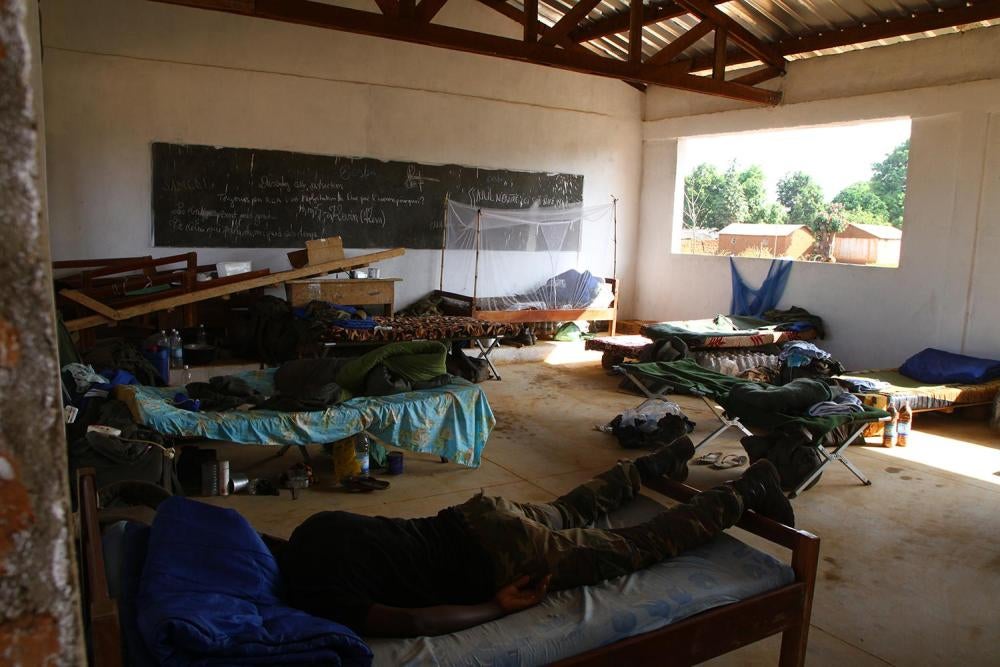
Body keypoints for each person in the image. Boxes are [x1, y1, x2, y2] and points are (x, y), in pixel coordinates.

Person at [277, 436, 794, 638]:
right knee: (567, 510)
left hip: (499, 557)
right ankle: (652, 464)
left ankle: (747, 490)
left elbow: (413, 620)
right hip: (476, 515)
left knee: (638, 546)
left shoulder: (316, 594)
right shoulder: (311, 528)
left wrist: (498, 607)